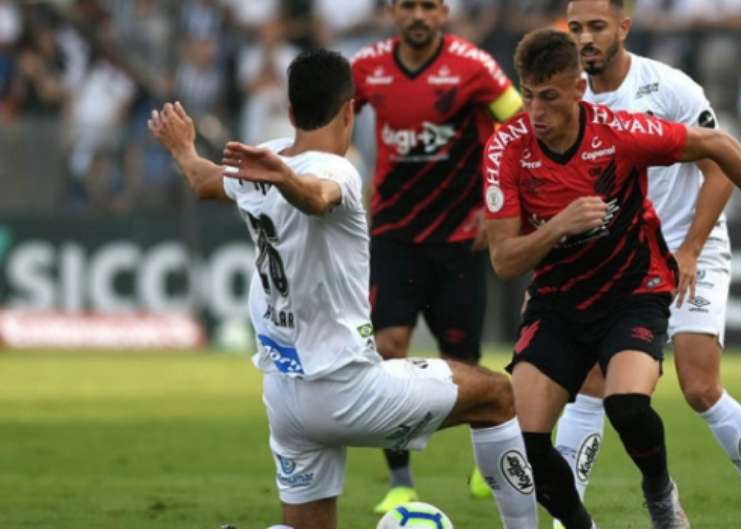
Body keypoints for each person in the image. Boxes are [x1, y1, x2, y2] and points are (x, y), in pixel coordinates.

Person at [148, 48, 537, 529]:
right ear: (351, 109)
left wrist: (183, 148)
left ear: (291, 113)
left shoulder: (262, 160)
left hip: (285, 395)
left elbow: (204, 180)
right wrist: (289, 180)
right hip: (345, 387)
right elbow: (317, 197)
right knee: (496, 394)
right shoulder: (337, 169)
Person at [483, 29, 741, 529]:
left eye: (549, 97)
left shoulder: (619, 131)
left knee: (627, 405)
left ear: (578, 91)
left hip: (633, 293)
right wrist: (561, 225)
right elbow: (503, 261)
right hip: (558, 303)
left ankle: (660, 493)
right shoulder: (506, 149)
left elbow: (718, 145)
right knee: (526, 442)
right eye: (528, 95)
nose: (535, 111)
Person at [350, 0, 524, 511]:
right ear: (392, 12)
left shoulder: (474, 66)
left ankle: (484, 459)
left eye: (428, 6)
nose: (419, 16)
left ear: (444, 11)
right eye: (409, 6)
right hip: (395, 234)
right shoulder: (367, 67)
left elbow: (518, 128)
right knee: (387, 349)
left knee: (462, 362)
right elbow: (333, 121)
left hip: (459, 237)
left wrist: (495, 208)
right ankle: (400, 480)